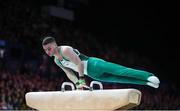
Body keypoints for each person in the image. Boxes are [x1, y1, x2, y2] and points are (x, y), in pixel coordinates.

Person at [42, 37, 160, 89]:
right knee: (119, 79)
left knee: (121, 70)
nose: (47, 52)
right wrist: (78, 83)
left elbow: (79, 63)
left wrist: (82, 80)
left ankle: (148, 76)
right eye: (45, 50)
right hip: (93, 75)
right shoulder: (57, 60)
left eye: (49, 48)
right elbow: (69, 73)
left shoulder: (65, 50)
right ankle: (145, 82)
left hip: (93, 64)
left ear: (55, 45)